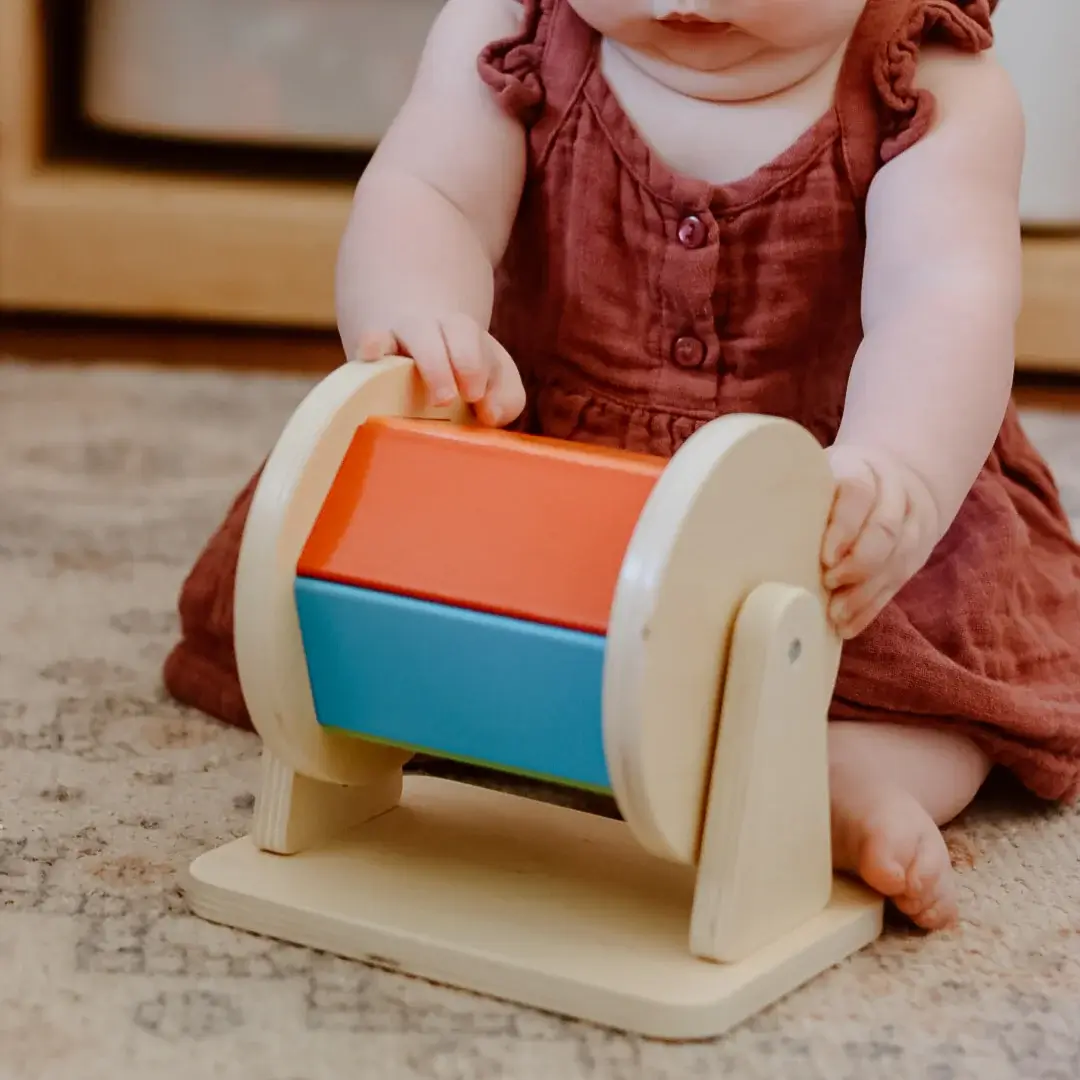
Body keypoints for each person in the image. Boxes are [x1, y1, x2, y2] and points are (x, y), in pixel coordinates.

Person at [164, 0, 1080, 931]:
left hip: (812, 497)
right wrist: (420, 310)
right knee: (368, 608)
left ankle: (843, 779)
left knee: (929, 673)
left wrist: (901, 468)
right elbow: (428, 193)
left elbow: (944, 299)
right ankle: (484, 710)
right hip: (549, 466)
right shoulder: (509, 29)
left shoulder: (928, 87)